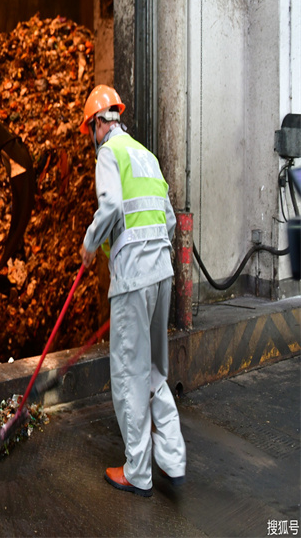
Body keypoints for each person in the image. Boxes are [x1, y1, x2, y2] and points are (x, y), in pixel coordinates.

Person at [79, 85, 186, 497]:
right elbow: (170, 220)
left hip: (134, 276)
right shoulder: (146, 155)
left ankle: (138, 471)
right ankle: (173, 458)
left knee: (127, 370)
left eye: (90, 128)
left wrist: (91, 247)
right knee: (156, 369)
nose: (91, 137)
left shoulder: (110, 154)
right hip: (162, 271)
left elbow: (110, 208)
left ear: (97, 125)